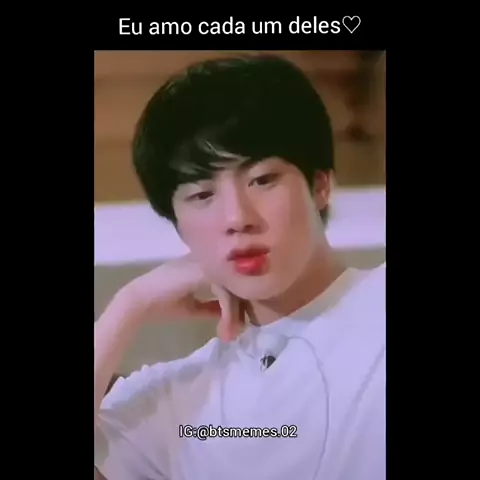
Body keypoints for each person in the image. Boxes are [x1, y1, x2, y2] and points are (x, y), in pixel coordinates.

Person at [94, 53, 386, 480]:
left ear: (320, 185)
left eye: (262, 180)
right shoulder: (174, 400)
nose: (237, 218)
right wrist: (129, 305)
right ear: (177, 224)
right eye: (202, 195)